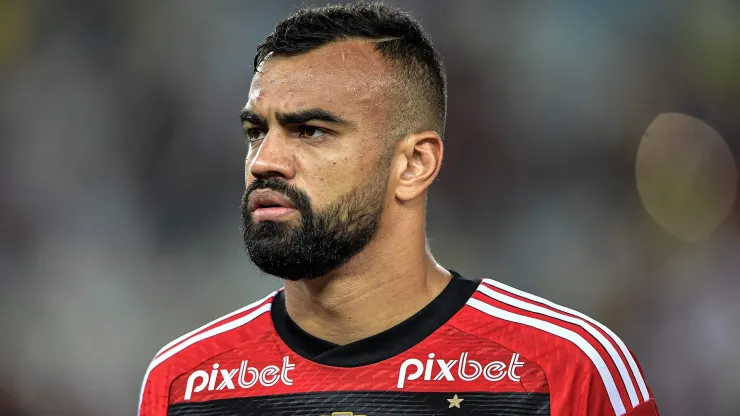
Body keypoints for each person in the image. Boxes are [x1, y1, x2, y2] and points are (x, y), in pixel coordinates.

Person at [138, 3, 659, 415]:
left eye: (311, 131)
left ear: (413, 164)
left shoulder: (562, 370)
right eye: (257, 131)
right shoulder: (185, 385)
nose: (264, 161)